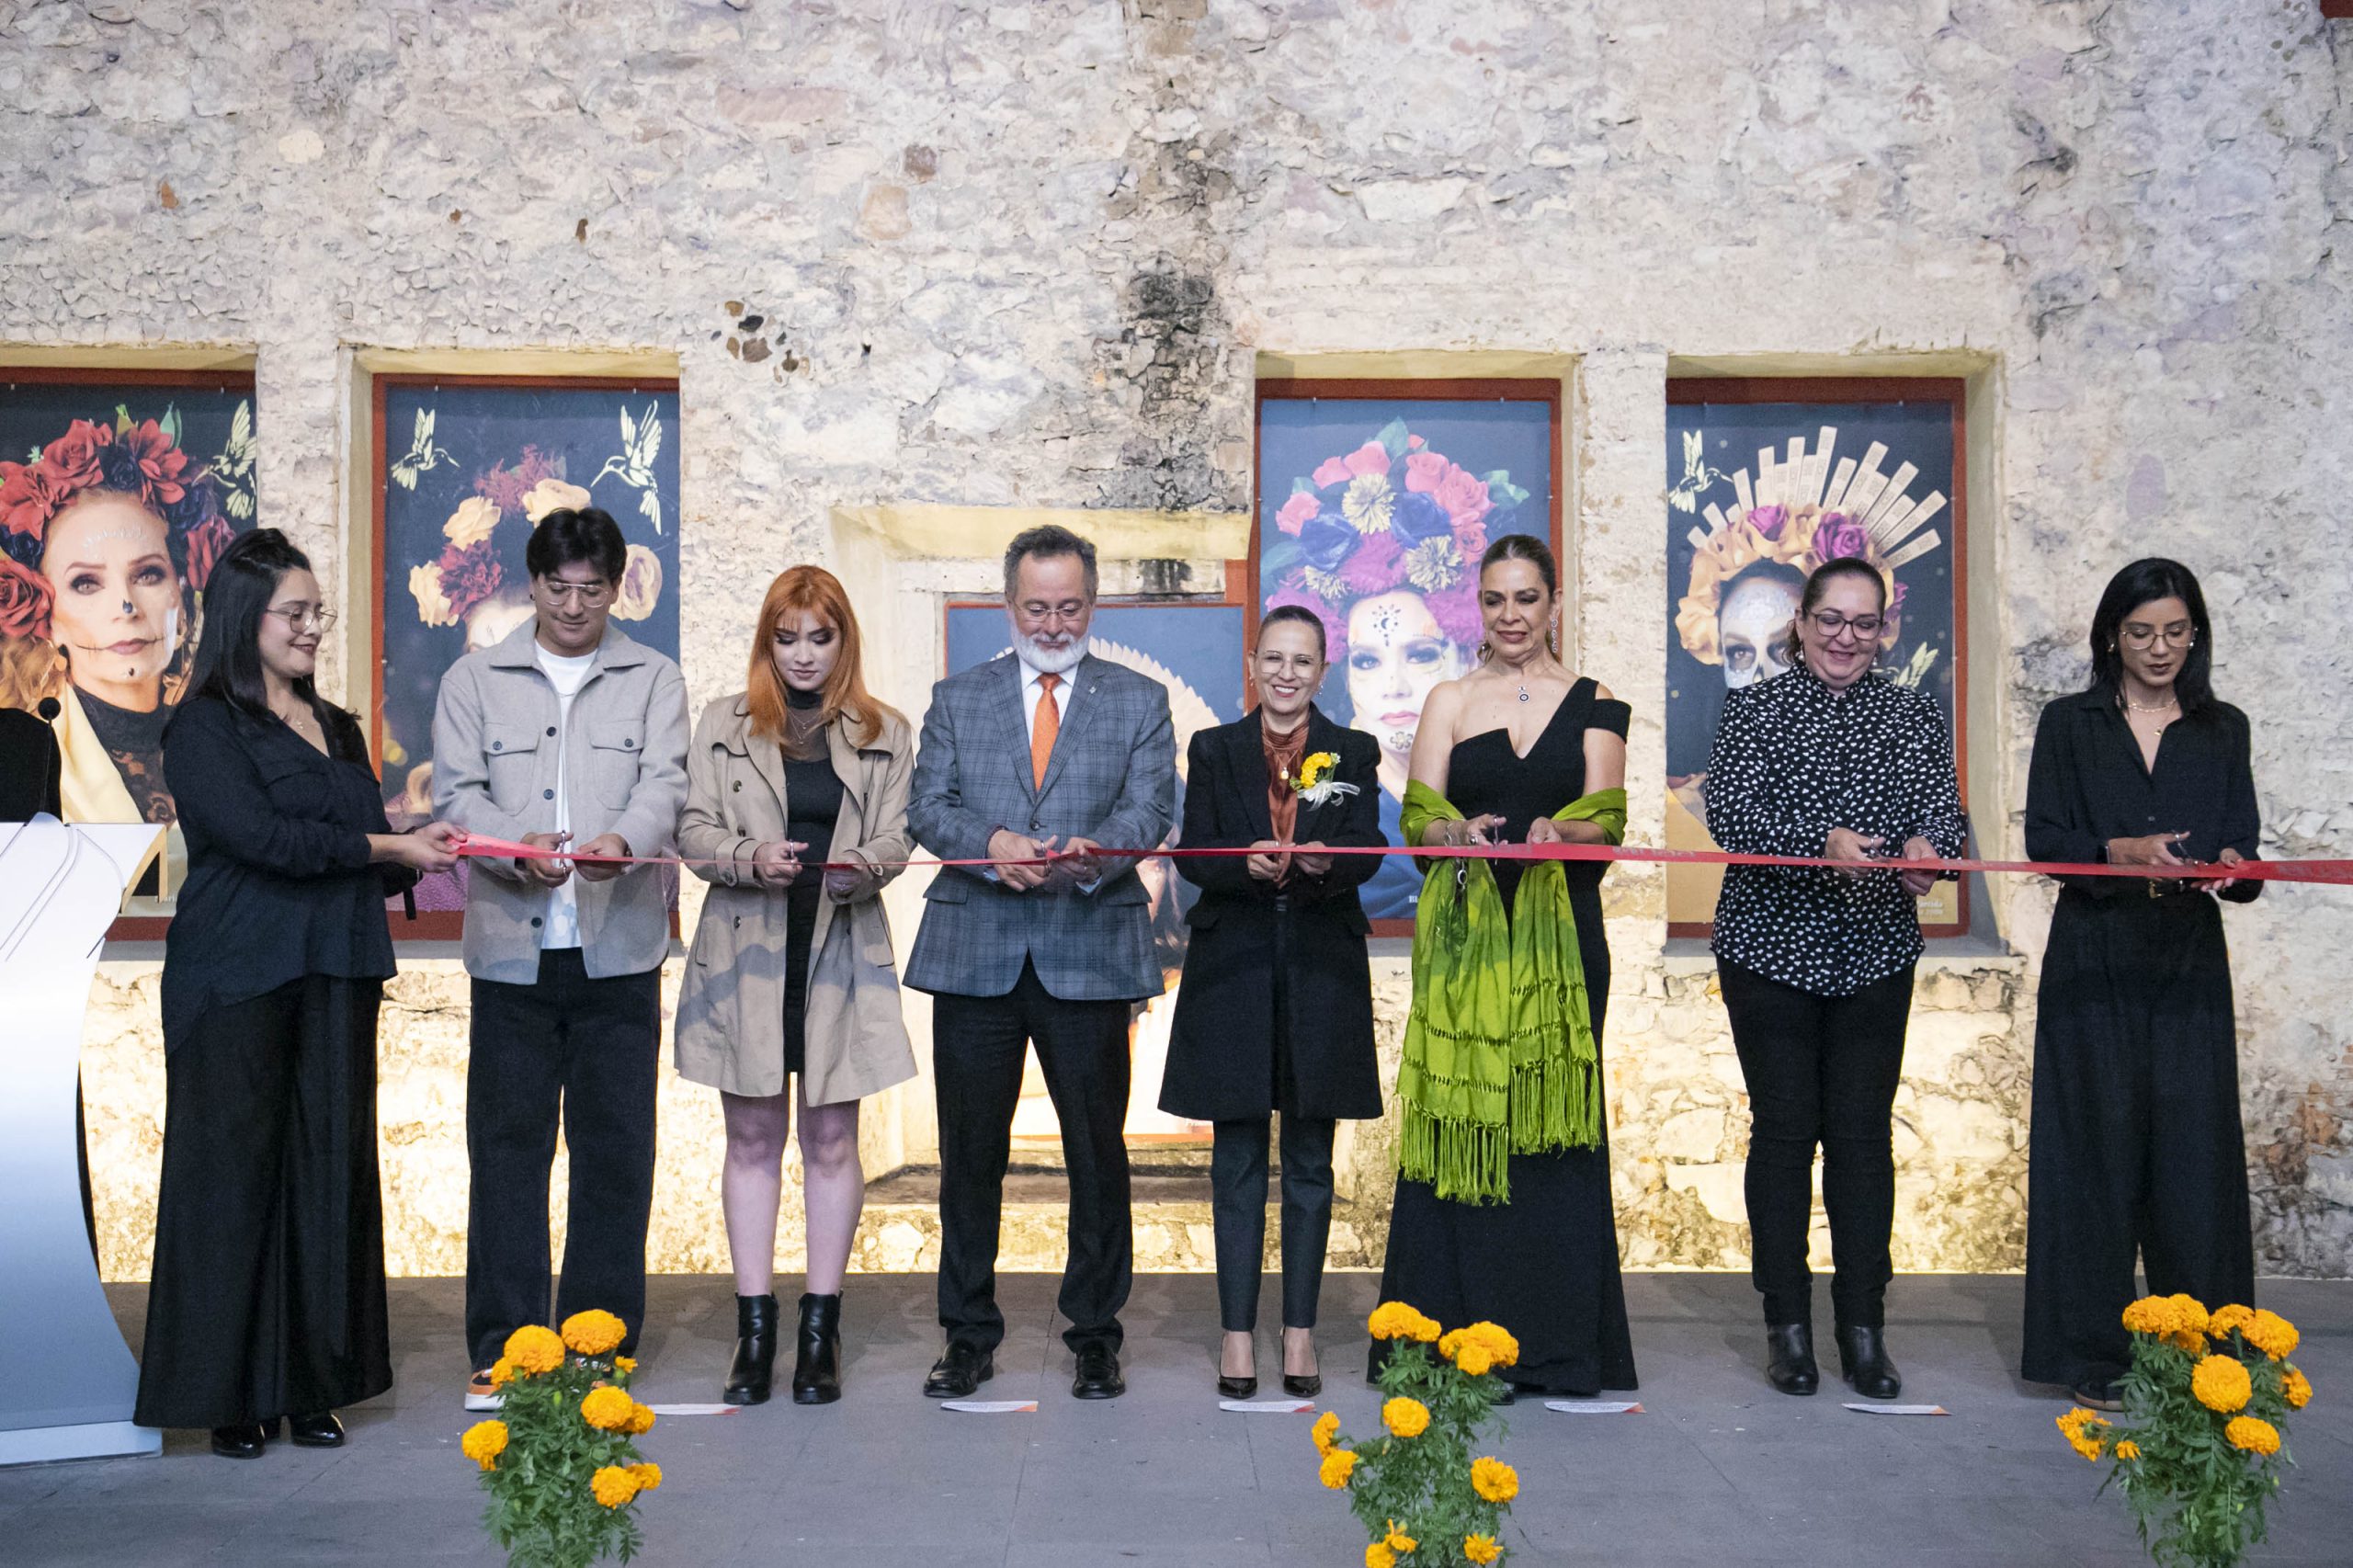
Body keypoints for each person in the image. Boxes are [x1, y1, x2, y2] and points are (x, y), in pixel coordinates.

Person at [135, 529, 460, 1458]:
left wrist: (429, 848)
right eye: (296, 612)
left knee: (329, 1177)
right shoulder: (202, 727)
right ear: (248, 619)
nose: (313, 627)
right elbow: (263, 841)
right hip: (236, 973)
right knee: (233, 1183)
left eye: (316, 612)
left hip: (337, 969)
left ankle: (315, 1385)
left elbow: (359, 846)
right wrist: (388, 847)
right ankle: (233, 1394)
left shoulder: (341, 726)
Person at [904, 524, 1176, 1402]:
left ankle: (1095, 1333)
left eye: (1069, 607)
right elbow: (927, 807)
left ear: (1091, 606)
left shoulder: (1138, 699)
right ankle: (968, 1333)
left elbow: (1153, 806)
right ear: (1008, 605)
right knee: (968, 1157)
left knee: (1097, 1153)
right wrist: (989, 841)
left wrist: (1099, 848)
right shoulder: (957, 697)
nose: (1053, 623)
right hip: (976, 949)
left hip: (1089, 943)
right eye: (1036, 607)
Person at [430, 506, 688, 1409]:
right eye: (557, 587)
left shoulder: (654, 678)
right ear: (532, 584)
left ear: (618, 588)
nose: (575, 605)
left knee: (615, 1151)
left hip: (618, 949)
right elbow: (456, 796)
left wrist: (624, 835)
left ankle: (598, 1346)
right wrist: (513, 842)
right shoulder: (473, 680)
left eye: (593, 588)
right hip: (512, 953)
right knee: (506, 1151)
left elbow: (667, 781)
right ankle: (505, 1349)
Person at [1372, 536, 1637, 1397]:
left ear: (1555, 603)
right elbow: (1418, 822)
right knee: (1462, 1120)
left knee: (1553, 1131)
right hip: (1465, 944)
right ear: (1477, 608)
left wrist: (1561, 834)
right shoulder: (1448, 698)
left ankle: (1557, 1347)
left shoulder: (1597, 704)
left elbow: (1607, 825)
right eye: (1495, 600)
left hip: (1564, 942)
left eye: (1527, 599)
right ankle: (1447, 1340)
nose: (1511, 616)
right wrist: (1453, 833)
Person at [1704, 554, 1967, 1401]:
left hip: (1874, 954)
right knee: (1783, 1135)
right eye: (1830, 621)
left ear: (1884, 629)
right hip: (1768, 952)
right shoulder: (1753, 711)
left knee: (1861, 1139)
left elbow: (1942, 817)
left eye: (1864, 623)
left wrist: (1932, 854)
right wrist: (1822, 842)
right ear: (1802, 625)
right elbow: (1733, 815)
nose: (1846, 638)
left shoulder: (1912, 715)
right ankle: (1786, 1326)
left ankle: (1863, 1327)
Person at [2019, 559, 2263, 1409]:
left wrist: (2234, 870)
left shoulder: (2221, 727)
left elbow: (2246, 850)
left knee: (2194, 1154)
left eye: (2174, 632)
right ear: (2111, 637)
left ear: (2195, 636)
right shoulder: (2070, 724)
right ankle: (2093, 1352)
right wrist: (2118, 852)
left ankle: (2205, 1352)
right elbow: (2045, 841)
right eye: (2141, 632)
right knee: (2094, 1149)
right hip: (2094, 957)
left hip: (2188, 962)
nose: (2159, 649)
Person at [674, 566, 918, 1405]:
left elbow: (897, 835)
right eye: (788, 638)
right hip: (746, 953)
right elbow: (693, 833)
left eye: (821, 636)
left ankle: (821, 1331)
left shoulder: (888, 728)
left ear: (845, 640)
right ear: (766, 641)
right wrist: (748, 859)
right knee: (748, 1141)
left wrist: (864, 868)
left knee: (830, 1143)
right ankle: (754, 1333)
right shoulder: (723, 723)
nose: (804, 655)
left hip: (840, 946)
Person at [1158, 605, 1385, 1399]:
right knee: (1237, 1160)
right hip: (1236, 967)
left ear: (1323, 671)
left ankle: (1297, 1335)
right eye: (1274, 659)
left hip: (1321, 968)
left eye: (1303, 661)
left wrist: (1327, 862)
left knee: (1312, 1162)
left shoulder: (1350, 749)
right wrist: (1237, 864)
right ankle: (1234, 1335)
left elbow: (1371, 846)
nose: (1287, 674)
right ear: (1253, 665)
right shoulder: (1215, 748)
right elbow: (1192, 850)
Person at [0, 413, 243, 894]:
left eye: (149, 574)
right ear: (49, 617)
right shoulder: (23, 758)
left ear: (182, 591)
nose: (126, 606)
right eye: (86, 583)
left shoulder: (230, 737)